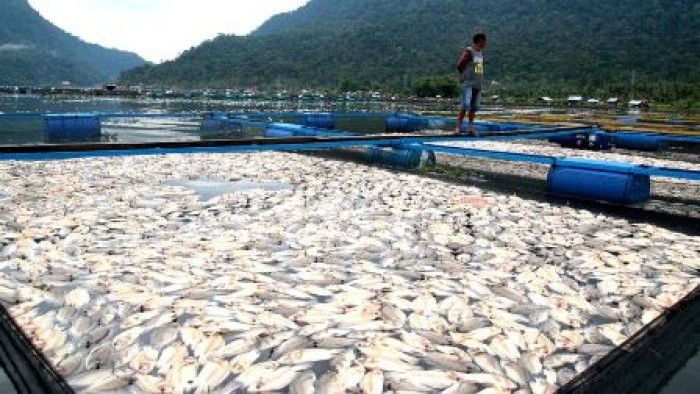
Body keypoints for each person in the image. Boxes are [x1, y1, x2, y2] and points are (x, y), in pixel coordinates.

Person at [456, 33, 487, 136]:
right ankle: (458, 128)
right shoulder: (469, 51)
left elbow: (478, 70)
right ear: (479, 41)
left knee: (474, 107)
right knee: (465, 105)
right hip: (468, 83)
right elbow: (460, 65)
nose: (485, 43)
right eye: (484, 41)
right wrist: (464, 77)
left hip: (477, 84)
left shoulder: (480, 53)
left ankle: (471, 127)